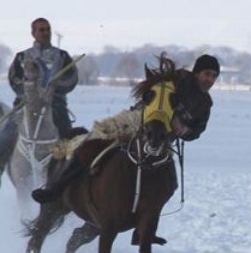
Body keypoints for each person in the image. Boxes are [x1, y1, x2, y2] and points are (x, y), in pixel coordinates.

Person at [31, 54, 220, 204]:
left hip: (163, 140)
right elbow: (150, 92)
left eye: (213, 76)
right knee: (93, 142)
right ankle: (55, 189)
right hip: (137, 119)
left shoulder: (205, 103)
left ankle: (144, 227)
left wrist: (186, 130)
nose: (209, 80)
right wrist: (169, 116)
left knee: (170, 184)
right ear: (196, 72)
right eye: (207, 74)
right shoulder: (179, 79)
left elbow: (197, 131)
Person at [0, 17, 78, 189]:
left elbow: (71, 79)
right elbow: (14, 79)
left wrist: (56, 86)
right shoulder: (21, 57)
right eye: (41, 30)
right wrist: (30, 90)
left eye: (47, 29)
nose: (45, 33)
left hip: (54, 105)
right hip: (25, 105)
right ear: (33, 33)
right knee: (7, 132)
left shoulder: (62, 57)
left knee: (68, 133)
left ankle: (72, 173)